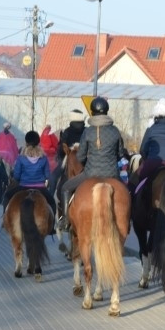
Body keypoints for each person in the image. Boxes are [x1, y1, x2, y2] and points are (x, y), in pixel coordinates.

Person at [57, 97, 126, 231]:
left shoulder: (88, 131)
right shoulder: (115, 131)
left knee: (65, 188)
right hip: (112, 174)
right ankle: (128, 220)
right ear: (106, 111)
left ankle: (65, 221)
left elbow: (80, 156)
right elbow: (120, 154)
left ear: (92, 112)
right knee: (127, 192)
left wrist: (89, 162)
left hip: (90, 173)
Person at [3, 130, 56, 226]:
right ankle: (52, 226)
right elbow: (47, 175)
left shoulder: (21, 157)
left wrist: (17, 179)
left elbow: (17, 176)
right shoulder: (43, 157)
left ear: (26, 142)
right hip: (40, 187)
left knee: (6, 196)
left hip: (23, 186)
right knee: (52, 203)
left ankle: (5, 219)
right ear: (38, 142)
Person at [48, 109, 87, 197]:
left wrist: (61, 154)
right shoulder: (87, 131)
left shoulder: (67, 131)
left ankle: (50, 198)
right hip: (86, 159)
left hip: (68, 157)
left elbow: (61, 148)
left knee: (53, 177)